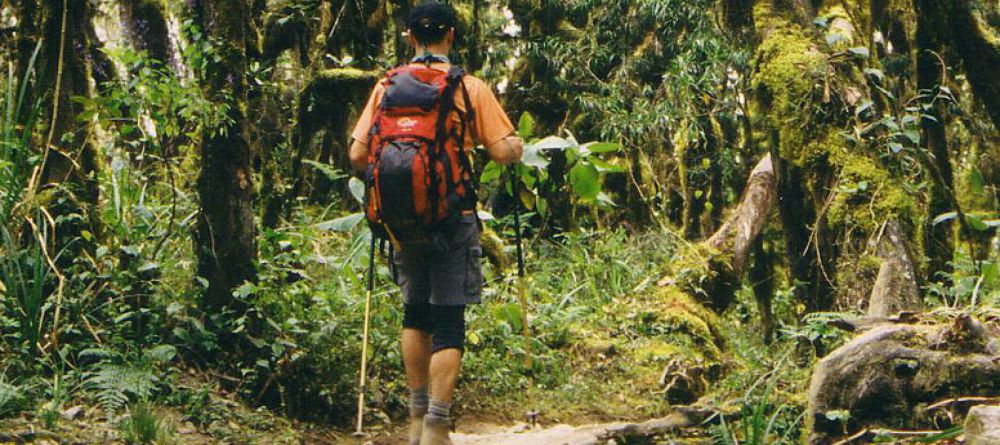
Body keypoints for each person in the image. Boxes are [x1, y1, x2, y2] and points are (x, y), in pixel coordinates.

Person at [348, 2, 523, 444]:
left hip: (402, 224)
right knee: (449, 320)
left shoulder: (386, 85)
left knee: (415, 314)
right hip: (452, 218)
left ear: (409, 38)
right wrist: (516, 145)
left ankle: (413, 421)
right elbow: (503, 152)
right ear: (451, 36)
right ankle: (436, 428)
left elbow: (356, 153)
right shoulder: (467, 87)